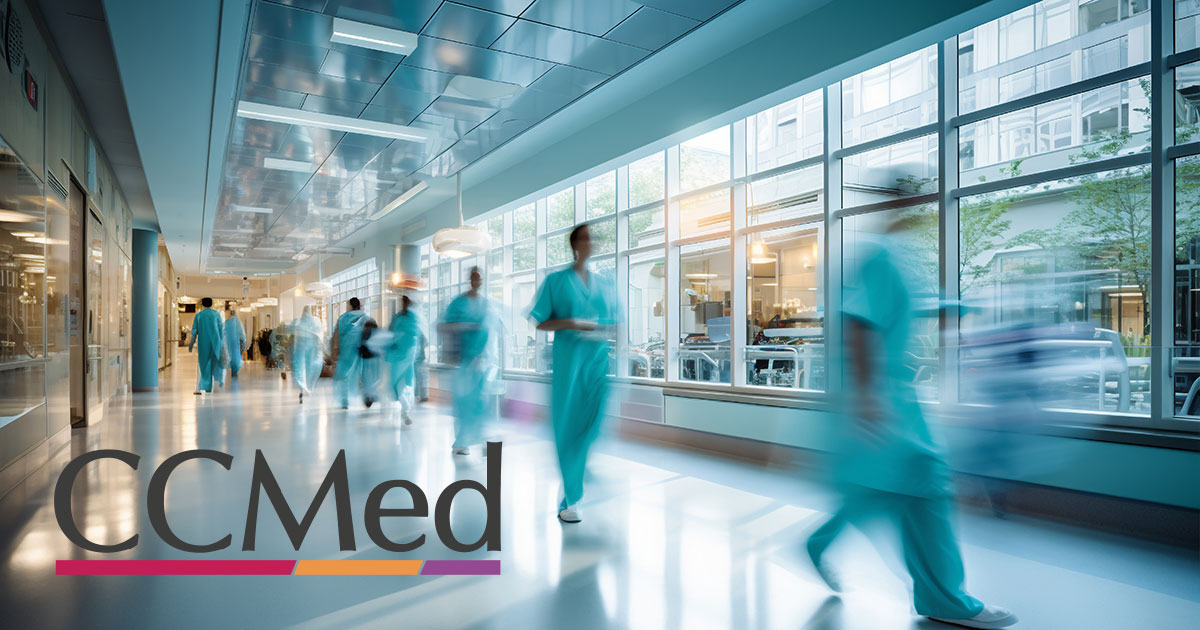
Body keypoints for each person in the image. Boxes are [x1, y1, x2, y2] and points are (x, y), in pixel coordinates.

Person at [804, 215, 1016, 629]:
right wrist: (869, 396)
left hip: (887, 396)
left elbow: (886, 315)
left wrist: (948, 309)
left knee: (881, 490)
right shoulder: (881, 258)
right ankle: (944, 598)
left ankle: (822, 541)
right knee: (924, 486)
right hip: (884, 399)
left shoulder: (893, 259)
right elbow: (859, 326)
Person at [529, 224, 618, 524]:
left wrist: (604, 329)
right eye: (585, 238)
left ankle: (575, 472)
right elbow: (540, 321)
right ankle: (571, 497)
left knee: (591, 425)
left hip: (597, 364)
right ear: (575, 244)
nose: (591, 242)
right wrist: (570, 323)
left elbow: (613, 323)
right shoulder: (556, 282)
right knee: (569, 427)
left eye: (593, 238)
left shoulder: (604, 284)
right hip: (569, 366)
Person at [440, 267, 495, 455]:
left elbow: (489, 332)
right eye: (473, 277)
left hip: (481, 360)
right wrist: (451, 350)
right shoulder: (459, 303)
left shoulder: (486, 304)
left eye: (479, 277)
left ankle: (482, 440)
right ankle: (461, 442)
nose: (476, 280)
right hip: (462, 360)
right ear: (469, 279)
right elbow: (446, 327)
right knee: (463, 402)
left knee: (481, 401)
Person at [387, 295, 424, 424]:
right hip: (399, 355)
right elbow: (391, 334)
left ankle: (406, 411)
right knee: (400, 384)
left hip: (407, 356)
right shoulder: (399, 318)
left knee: (404, 384)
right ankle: (405, 411)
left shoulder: (411, 318)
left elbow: (415, 336)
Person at [332, 297, 367, 409]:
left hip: (346, 349)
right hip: (361, 348)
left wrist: (335, 349)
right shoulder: (365, 317)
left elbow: (336, 334)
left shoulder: (344, 318)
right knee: (360, 373)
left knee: (344, 375)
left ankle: (344, 400)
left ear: (350, 305)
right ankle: (365, 396)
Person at [188, 297, 225, 395]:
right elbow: (221, 329)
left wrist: (191, 344)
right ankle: (216, 385)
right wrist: (221, 343)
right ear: (211, 304)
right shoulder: (216, 314)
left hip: (203, 342)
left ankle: (203, 387)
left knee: (203, 364)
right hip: (216, 342)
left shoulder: (199, 315)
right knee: (215, 363)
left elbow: (194, 331)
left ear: (203, 304)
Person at [289, 305, 325, 403]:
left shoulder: (297, 322)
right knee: (309, 369)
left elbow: (292, 334)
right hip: (310, 349)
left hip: (300, 349)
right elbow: (319, 334)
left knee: (300, 369)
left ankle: (302, 388)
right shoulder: (315, 322)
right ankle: (306, 387)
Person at [224, 307, 248, 379]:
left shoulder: (235, 322)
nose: (226, 315)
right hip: (231, 347)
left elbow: (242, 335)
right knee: (233, 359)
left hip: (233, 346)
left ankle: (234, 372)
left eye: (227, 313)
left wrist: (244, 347)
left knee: (233, 359)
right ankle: (234, 372)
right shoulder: (227, 323)